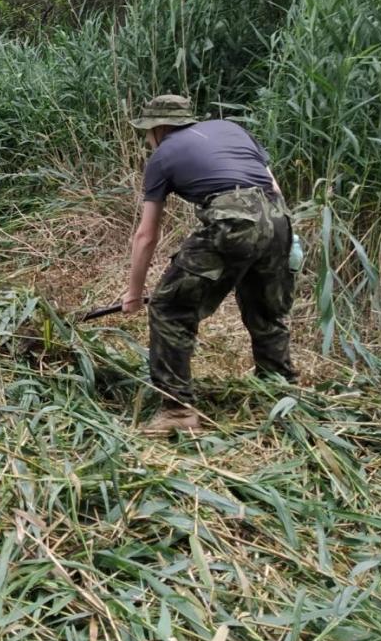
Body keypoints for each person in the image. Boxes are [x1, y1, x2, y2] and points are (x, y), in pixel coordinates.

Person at [121, 94, 298, 436]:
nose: (146, 140)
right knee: (266, 312)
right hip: (278, 218)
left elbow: (146, 235)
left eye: (146, 133)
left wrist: (134, 292)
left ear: (159, 128)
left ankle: (177, 412)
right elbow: (272, 187)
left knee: (169, 309)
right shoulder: (231, 128)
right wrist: (290, 240)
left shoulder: (162, 156)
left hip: (234, 220)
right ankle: (280, 397)